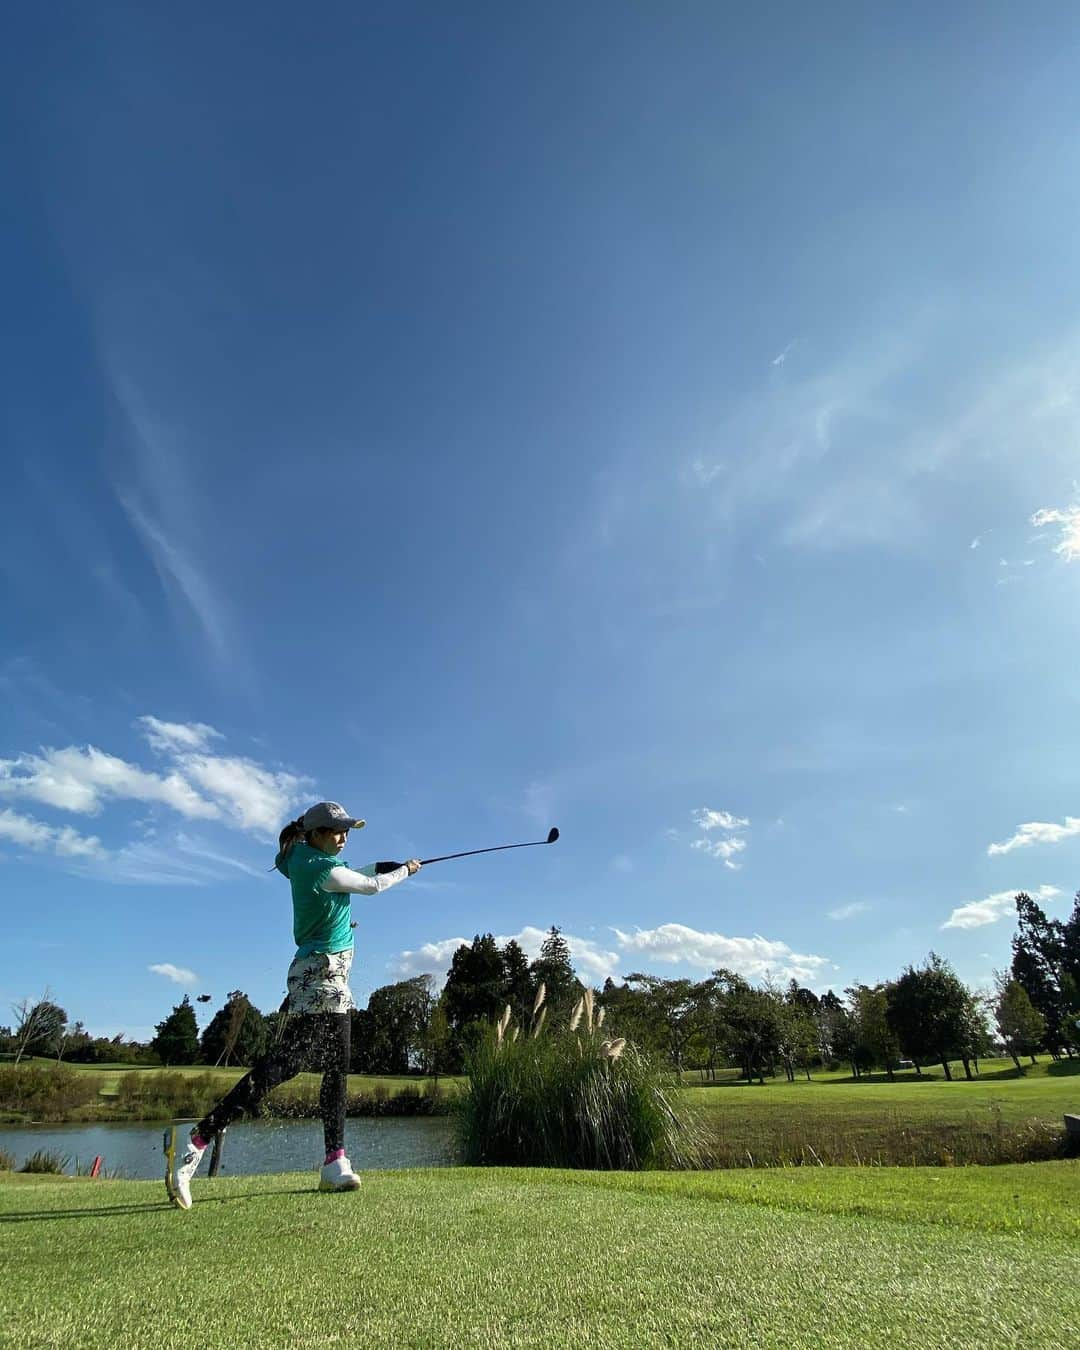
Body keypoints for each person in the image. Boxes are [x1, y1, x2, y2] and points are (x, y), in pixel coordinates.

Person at [168, 801, 420, 1209]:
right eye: (336, 831)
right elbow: (370, 886)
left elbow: (352, 870)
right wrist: (404, 871)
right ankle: (334, 1160)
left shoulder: (297, 857)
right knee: (336, 1063)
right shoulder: (323, 870)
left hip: (306, 972)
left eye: (347, 831)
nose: (343, 837)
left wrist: (381, 864)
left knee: (289, 1063)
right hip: (325, 972)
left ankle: (201, 1137)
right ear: (316, 833)